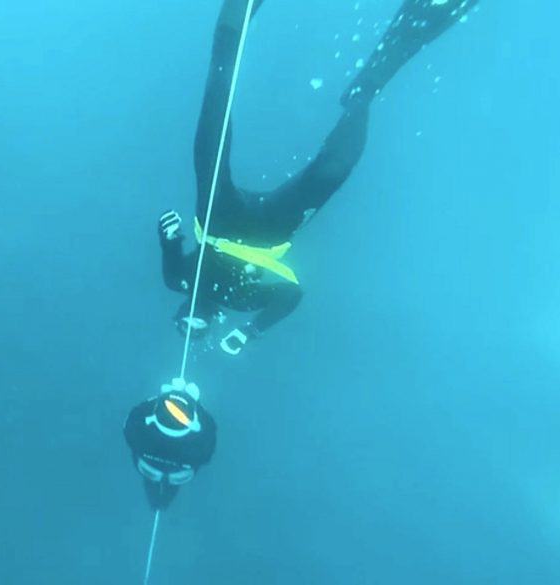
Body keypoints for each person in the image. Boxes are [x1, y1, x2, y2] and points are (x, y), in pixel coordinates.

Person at [160, 0, 479, 356]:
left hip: (218, 220)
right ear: (213, 324)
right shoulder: (244, 301)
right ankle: (366, 89)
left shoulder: (178, 279)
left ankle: (236, 16)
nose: (192, 320)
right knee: (334, 171)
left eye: (183, 323)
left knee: (212, 126)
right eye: (197, 329)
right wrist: (251, 331)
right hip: (268, 234)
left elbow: (170, 245)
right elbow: (291, 295)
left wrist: (168, 235)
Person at [124, 378, 217, 510]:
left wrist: (161, 397)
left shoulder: (140, 428)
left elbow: (130, 425)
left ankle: (155, 502)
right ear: (192, 423)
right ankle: (164, 502)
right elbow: (209, 446)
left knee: (151, 479)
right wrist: (196, 403)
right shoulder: (199, 442)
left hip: (149, 467)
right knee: (173, 483)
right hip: (178, 472)